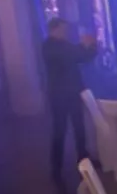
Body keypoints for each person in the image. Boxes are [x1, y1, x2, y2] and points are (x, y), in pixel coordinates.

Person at [42, 18, 98, 178]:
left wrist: (92, 46)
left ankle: (84, 160)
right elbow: (71, 55)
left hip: (73, 93)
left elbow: (83, 57)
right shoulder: (49, 47)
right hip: (59, 96)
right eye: (62, 29)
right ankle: (56, 167)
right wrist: (83, 45)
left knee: (79, 127)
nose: (65, 32)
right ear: (54, 29)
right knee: (60, 130)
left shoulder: (64, 44)